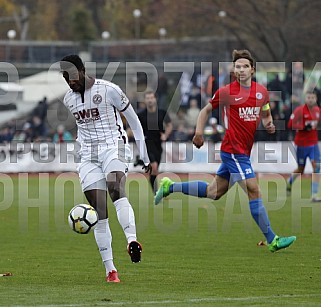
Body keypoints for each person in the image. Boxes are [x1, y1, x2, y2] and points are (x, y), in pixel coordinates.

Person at [154, 49, 296, 252]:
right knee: (254, 190)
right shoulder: (227, 92)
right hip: (233, 151)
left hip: (243, 152)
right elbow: (205, 111)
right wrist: (199, 133)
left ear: (252, 70)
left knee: (213, 192)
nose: (241, 69)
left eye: (245, 66)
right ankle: (273, 239)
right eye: (237, 66)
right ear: (234, 70)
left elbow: (265, 112)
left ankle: (169, 187)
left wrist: (270, 123)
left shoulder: (261, 92)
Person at [60, 55, 151, 283]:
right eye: (65, 77)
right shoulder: (68, 100)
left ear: (82, 70)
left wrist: (145, 156)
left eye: (72, 76)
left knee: (115, 188)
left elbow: (135, 122)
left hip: (114, 146)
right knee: (99, 211)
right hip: (87, 155)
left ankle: (132, 240)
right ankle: (111, 271)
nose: (70, 81)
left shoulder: (109, 89)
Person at [287, 91, 321, 202]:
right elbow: (289, 124)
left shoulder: (317, 111)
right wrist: (303, 127)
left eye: (312, 97)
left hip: (313, 144)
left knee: (316, 167)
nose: (310, 99)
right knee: (301, 169)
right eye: (308, 97)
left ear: (315, 99)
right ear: (305, 99)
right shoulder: (299, 110)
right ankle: (290, 181)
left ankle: (314, 195)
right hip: (301, 145)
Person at [137, 90, 172, 191]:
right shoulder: (141, 115)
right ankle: (158, 192)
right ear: (145, 100)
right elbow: (135, 128)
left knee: (154, 171)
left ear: (155, 99)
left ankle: (140, 161)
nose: (150, 100)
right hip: (147, 143)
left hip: (158, 144)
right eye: (147, 98)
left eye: (151, 98)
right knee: (154, 167)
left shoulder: (162, 113)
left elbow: (169, 125)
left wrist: (165, 135)